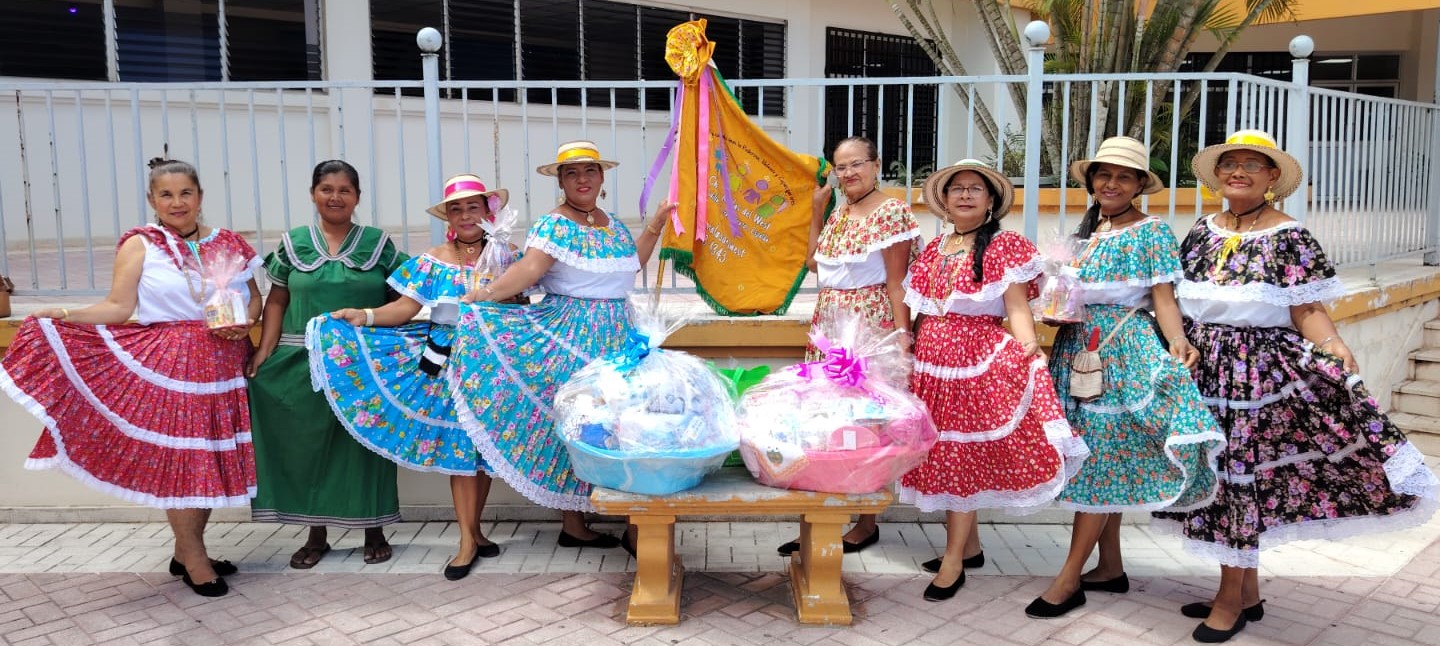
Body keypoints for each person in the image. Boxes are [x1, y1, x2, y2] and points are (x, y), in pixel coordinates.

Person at [1152, 130, 1438, 643]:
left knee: (1241, 480)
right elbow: (1175, 297)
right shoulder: (1200, 230)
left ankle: (1229, 599)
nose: (1237, 172)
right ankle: (1248, 591)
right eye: (1229, 164)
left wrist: (1336, 348)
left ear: (1272, 179)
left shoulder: (1290, 236)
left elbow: (1306, 308)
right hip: (1203, 368)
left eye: (1251, 166)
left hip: (1255, 375)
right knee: (1217, 476)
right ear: (1217, 175)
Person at [0, 158, 260, 597]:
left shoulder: (228, 242)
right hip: (171, 368)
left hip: (224, 366)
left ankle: (186, 549)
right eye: (166, 194)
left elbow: (255, 299)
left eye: (185, 193)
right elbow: (119, 307)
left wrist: (244, 322)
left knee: (210, 461)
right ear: (152, 200)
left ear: (200, 196)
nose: (177, 203)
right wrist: (63, 313)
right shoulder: (141, 245)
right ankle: (194, 558)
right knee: (185, 463)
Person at [1026, 137, 1224, 619]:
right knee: (1099, 456)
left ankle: (1069, 576)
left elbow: (1162, 297)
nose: (1111, 184)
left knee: (1097, 463)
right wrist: (1056, 313)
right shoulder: (1084, 234)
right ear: (1091, 181)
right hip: (1078, 352)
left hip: (1122, 352)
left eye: (1122, 176)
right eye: (1103, 175)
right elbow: (1070, 298)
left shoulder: (1151, 232)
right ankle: (1110, 566)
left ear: (1139, 185)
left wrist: (1176, 340)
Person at [450, 140, 673, 549]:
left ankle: (631, 524)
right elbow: (529, 269)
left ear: (602, 177)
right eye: (572, 173)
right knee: (577, 425)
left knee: (623, 426)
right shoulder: (553, 225)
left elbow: (629, 267)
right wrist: (483, 297)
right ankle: (575, 524)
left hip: (619, 337)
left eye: (589, 171)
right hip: (569, 336)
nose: (582, 179)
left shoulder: (614, 225)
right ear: (560, 181)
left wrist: (656, 223)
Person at [896, 159, 1088, 602]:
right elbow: (925, 310)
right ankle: (972, 546)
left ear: (990, 200)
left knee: (961, 458)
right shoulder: (935, 249)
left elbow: (1017, 305)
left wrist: (1030, 348)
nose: (964, 195)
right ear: (944, 201)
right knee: (942, 452)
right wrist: (910, 353)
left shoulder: (1005, 246)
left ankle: (951, 561)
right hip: (934, 364)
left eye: (974, 189)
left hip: (976, 360)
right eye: (957, 188)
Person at [310, 173, 514, 581]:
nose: (465, 215)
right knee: (461, 450)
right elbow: (403, 309)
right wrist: (363, 315)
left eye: (473, 206)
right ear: (448, 218)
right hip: (449, 365)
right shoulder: (433, 259)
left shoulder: (508, 257)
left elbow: (525, 302)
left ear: (488, 211)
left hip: (493, 365)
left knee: (482, 454)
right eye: (456, 208)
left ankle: (476, 531)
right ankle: (466, 542)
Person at [248, 160, 405, 569]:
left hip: (362, 362)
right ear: (313, 193)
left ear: (357, 197)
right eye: (326, 189)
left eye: (344, 190)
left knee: (365, 443)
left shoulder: (378, 243)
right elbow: (277, 300)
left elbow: (403, 296)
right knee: (307, 445)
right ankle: (315, 532)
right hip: (302, 358)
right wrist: (265, 349)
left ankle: (374, 528)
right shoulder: (292, 242)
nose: (335, 197)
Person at [773, 136, 920, 556]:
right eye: (841, 167)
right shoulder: (840, 212)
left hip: (868, 325)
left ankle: (865, 521)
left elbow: (896, 283)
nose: (849, 174)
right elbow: (813, 264)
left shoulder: (892, 213)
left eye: (857, 164)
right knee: (826, 421)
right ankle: (825, 515)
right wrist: (818, 210)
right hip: (828, 323)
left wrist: (901, 341)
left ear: (877, 165)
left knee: (865, 423)